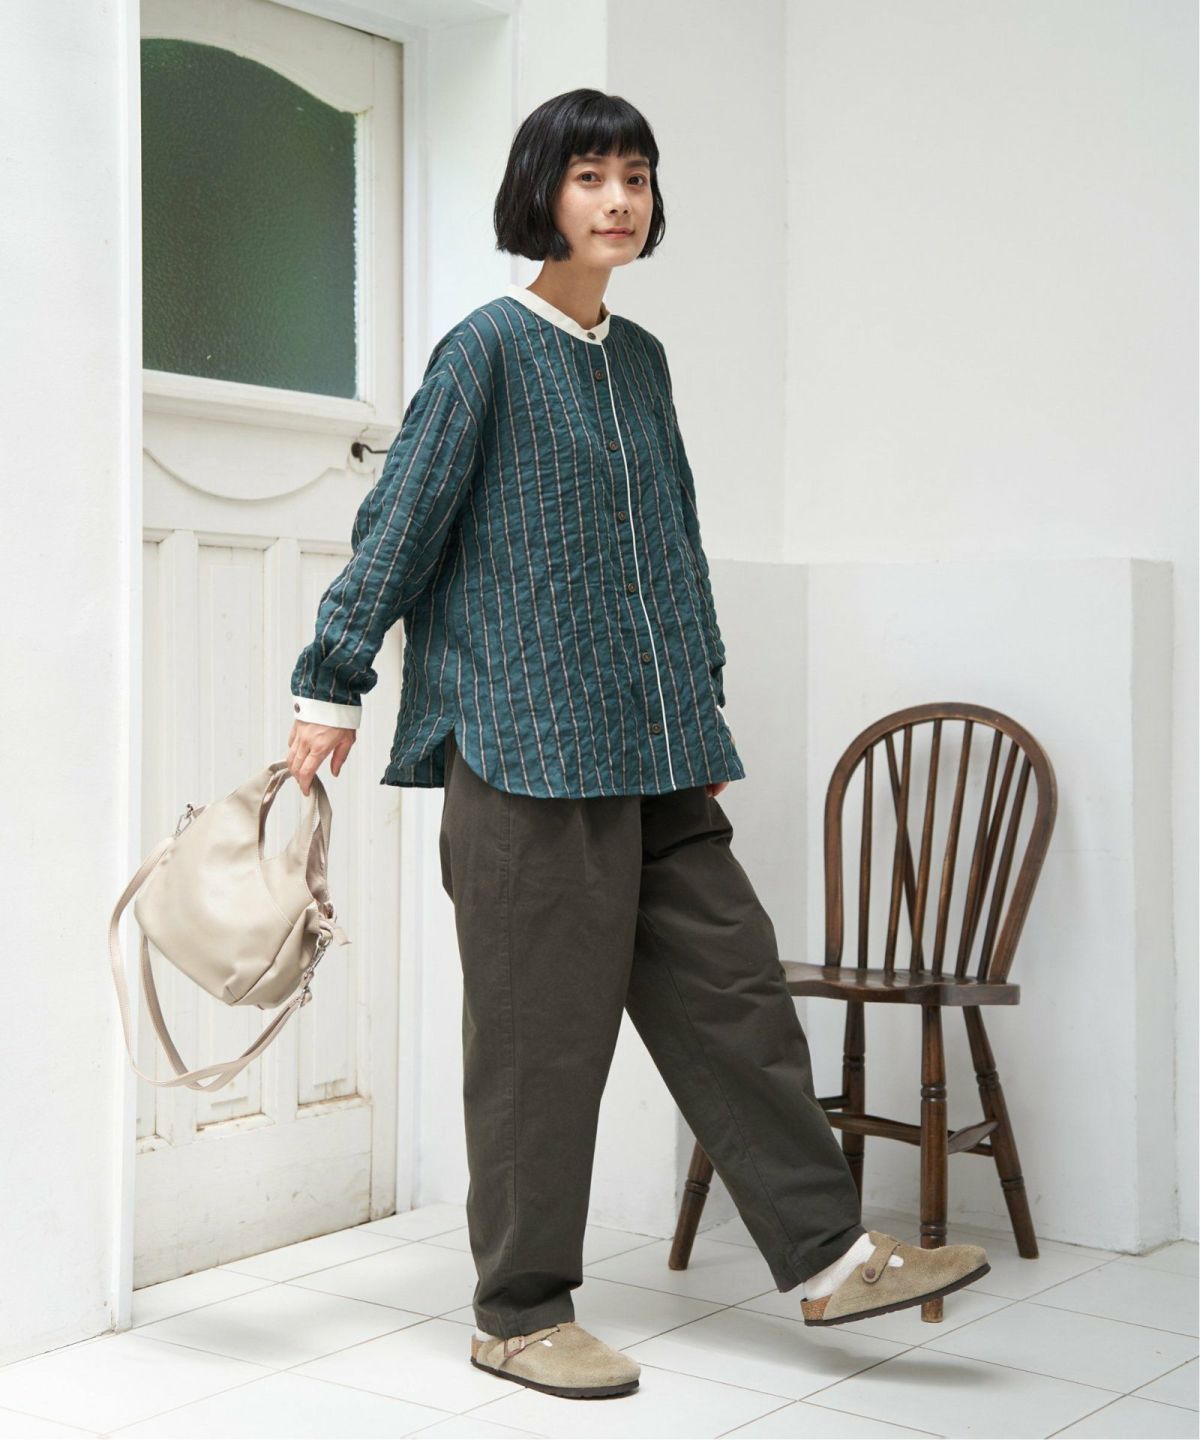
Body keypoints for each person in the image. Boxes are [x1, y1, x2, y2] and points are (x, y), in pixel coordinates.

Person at [286, 88, 990, 1401]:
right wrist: (331, 681)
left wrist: (700, 705)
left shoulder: (643, 360)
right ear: (541, 194)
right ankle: (517, 1313)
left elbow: (673, 542)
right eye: (591, 176)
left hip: (656, 755)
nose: (619, 199)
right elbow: (401, 522)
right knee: (540, 1051)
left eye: (637, 177)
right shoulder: (487, 351)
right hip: (526, 755)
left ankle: (830, 1258)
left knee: (738, 995)